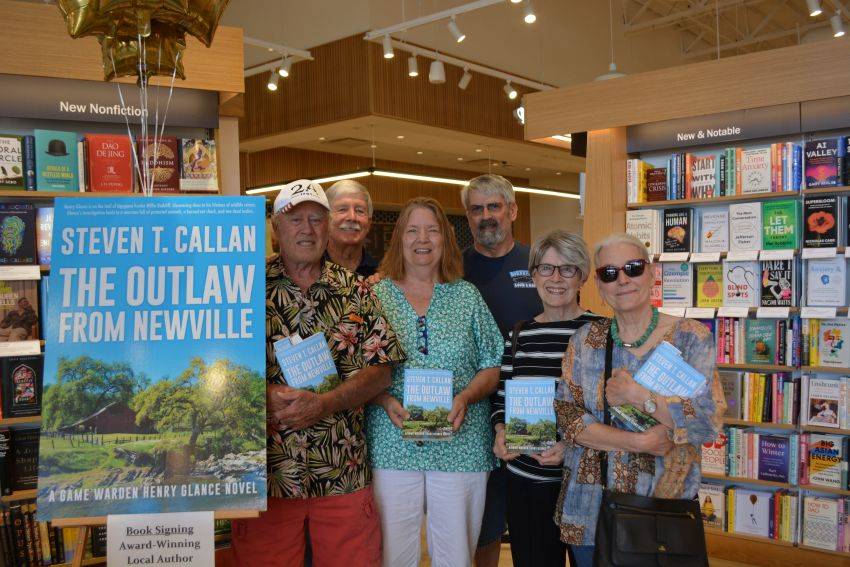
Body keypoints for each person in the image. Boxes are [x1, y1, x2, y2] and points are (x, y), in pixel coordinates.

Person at [231, 180, 405, 567]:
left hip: (342, 472)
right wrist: (260, 394)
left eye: (315, 219)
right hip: (267, 476)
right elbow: (217, 371)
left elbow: (381, 371)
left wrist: (325, 403)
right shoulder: (243, 288)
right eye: (295, 219)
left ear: (327, 228)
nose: (306, 229)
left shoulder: (356, 291)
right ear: (276, 227)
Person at [554, 233, 725, 567]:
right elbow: (567, 417)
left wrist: (641, 397)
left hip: (662, 513)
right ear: (600, 287)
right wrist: (641, 442)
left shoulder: (691, 337)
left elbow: (707, 423)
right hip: (590, 510)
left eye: (633, 268)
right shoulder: (585, 340)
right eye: (609, 273)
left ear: (652, 274)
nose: (623, 280)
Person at [365, 197, 504, 567]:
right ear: (399, 239)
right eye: (412, 230)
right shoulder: (375, 296)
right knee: (393, 554)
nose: (422, 238)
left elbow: (493, 364)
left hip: (462, 442)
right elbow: (355, 366)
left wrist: (466, 396)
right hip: (392, 442)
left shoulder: (467, 296)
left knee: (457, 555)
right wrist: (383, 399)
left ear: (445, 239)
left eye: (432, 230)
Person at [490, 230, 600, 567]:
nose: (555, 278)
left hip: (584, 484)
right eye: (546, 268)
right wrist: (500, 432)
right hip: (528, 483)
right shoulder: (519, 334)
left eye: (567, 269)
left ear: (582, 276)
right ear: (533, 275)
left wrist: (573, 446)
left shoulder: (599, 332)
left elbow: (612, 412)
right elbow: (501, 397)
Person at [460, 173, 543, 566]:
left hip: (533, 407)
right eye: (476, 209)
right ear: (467, 216)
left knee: (535, 520)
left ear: (512, 211)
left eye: (494, 206)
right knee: (484, 524)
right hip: (473, 411)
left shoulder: (540, 264)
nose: (486, 216)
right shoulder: (451, 268)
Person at [326, 179, 379, 277]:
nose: (352, 217)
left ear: (369, 223)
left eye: (359, 211)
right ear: (326, 220)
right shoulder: (309, 268)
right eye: (342, 209)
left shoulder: (380, 275)